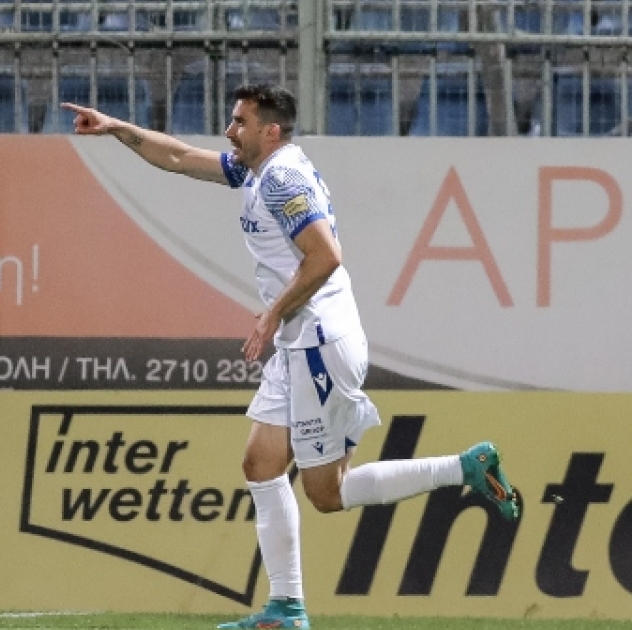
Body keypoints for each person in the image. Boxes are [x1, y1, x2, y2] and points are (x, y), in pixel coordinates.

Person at [61, 84, 521, 629]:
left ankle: (463, 467)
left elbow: (326, 255)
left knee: (327, 493)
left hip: (318, 341)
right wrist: (115, 127)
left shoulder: (282, 178)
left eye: (240, 122)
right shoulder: (256, 170)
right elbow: (180, 158)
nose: (230, 131)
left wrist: (273, 312)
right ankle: (285, 608)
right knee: (261, 464)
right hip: (300, 340)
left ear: (271, 130)